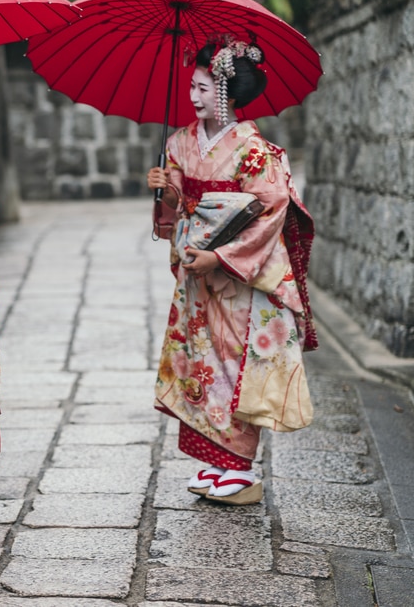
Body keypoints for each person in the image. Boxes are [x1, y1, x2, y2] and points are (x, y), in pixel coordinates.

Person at [146, 36, 317, 505]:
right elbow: (179, 207)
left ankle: (239, 466)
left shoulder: (255, 150)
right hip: (197, 271)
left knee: (236, 360)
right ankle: (215, 461)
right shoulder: (180, 141)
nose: (194, 96)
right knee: (200, 357)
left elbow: (270, 210)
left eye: (203, 88)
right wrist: (164, 190)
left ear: (226, 94)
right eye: (192, 86)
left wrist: (220, 257)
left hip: (236, 273)